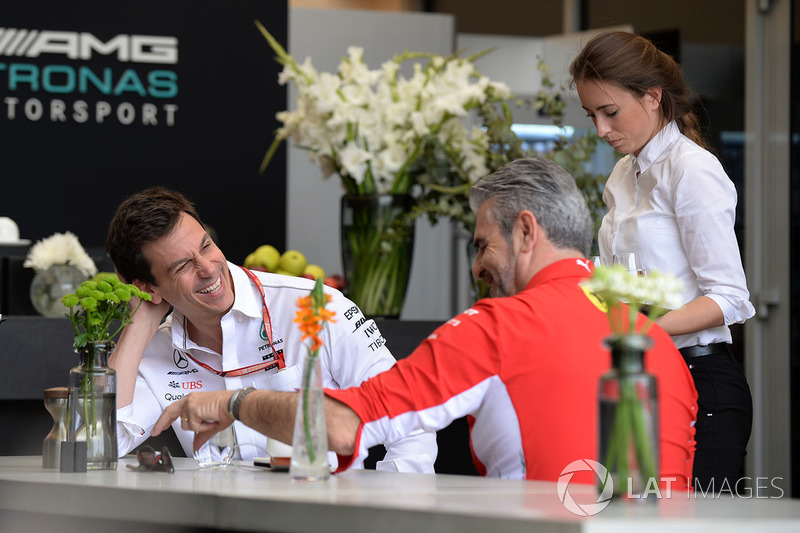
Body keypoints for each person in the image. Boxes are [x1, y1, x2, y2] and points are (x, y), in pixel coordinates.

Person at [153, 158, 698, 487]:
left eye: (483, 244)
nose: (477, 266)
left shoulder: (499, 326)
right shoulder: (655, 339)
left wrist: (231, 403)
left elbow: (342, 424)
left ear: (527, 232)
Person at [105, 186, 436, 473]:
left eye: (206, 246)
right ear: (149, 288)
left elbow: (408, 416)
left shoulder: (317, 306)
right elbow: (102, 446)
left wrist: (392, 512)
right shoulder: (157, 348)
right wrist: (138, 322)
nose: (208, 269)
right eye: (182, 266)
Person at [570, 30, 756, 492]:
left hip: (700, 380)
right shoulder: (621, 173)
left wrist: (641, 329)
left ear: (653, 97)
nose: (600, 130)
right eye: (591, 114)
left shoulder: (691, 169)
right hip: (638, 378)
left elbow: (730, 298)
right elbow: (634, 287)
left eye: (609, 112)